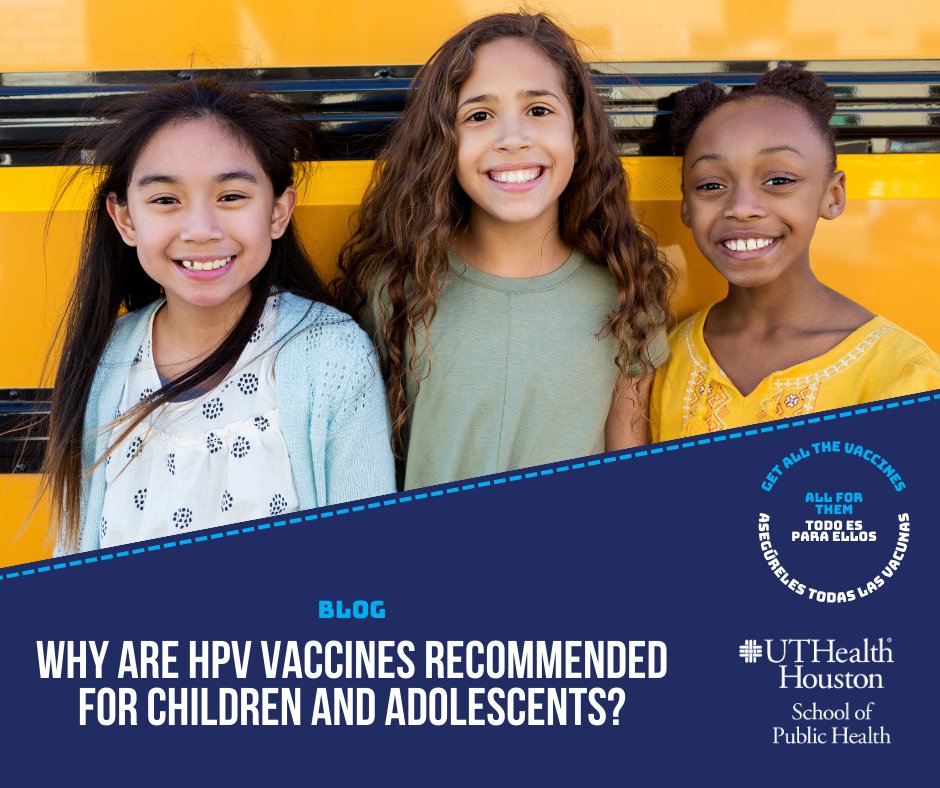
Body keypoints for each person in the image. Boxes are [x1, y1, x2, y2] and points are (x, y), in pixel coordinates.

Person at [44, 78, 395, 555]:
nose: (201, 231)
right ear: (125, 219)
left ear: (277, 211)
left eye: (231, 196)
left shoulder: (331, 357)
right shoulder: (107, 361)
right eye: (166, 200)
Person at [335, 12, 673, 489]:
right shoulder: (395, 289)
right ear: (444, 143)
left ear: (577, 132)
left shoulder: (628, 295)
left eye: (539, 110)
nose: (513, 139)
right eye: (479, 115)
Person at [651, 66, 940, 442]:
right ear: (686, 205)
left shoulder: (900, 372)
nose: (742, 207)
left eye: (779, 180)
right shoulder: (666, 361)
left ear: (832, 195)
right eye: (710, 184)